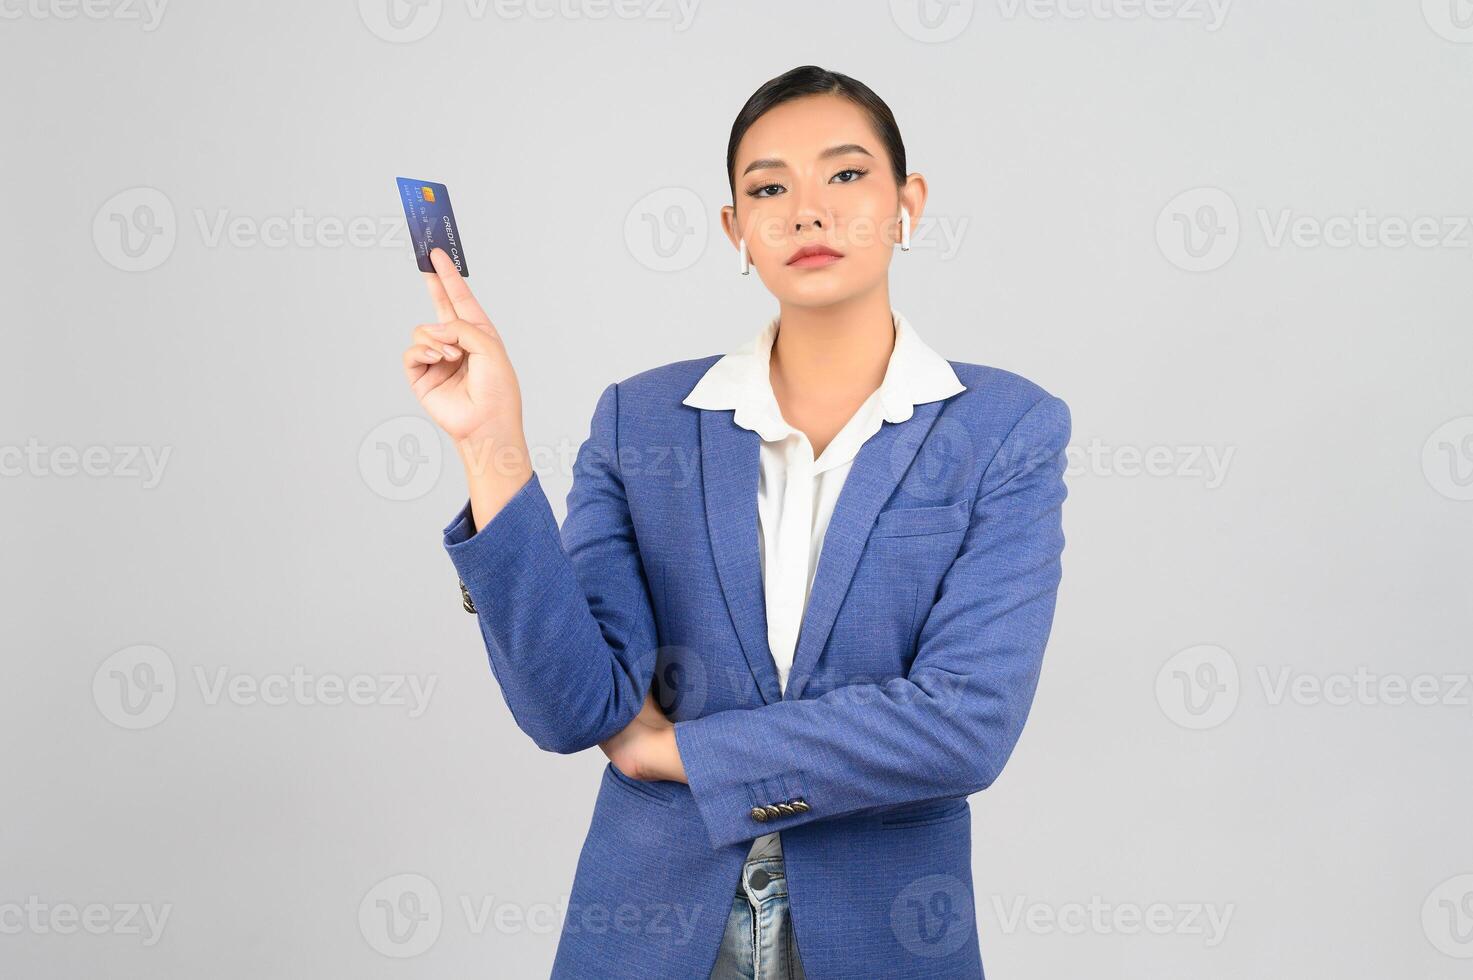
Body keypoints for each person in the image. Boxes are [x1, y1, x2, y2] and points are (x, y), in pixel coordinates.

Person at [402, 64, 1070, 980]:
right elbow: (574, 708)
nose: (806, 211)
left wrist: (676, 752)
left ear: (907, 202)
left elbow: (965, 725)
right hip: (647, 929)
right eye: (767, 188)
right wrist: (492, 446)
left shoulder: (1005, 429)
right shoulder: (642, 421)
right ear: (735, 231)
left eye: (844, 175)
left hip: (884, 933)